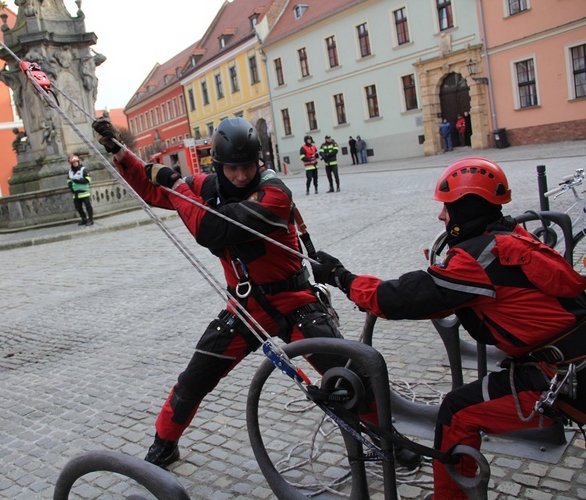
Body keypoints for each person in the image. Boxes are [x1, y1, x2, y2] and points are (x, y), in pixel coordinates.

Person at [91, 116, 421, 470]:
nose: (240, 176)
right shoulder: (208, 186)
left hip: (294, 301)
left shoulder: (275, 194)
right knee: (194, 378)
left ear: (257, 163)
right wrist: (120, 154)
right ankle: (164, 442)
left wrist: (175, 181)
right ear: (219, 166)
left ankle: (390, 439)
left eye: (247, 167)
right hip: (245, 307)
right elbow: (156, 190)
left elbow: (211, 229)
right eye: (232, 169)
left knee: (346, 373)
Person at [311, 157, 586, 499]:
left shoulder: (480, 259)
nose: (441, 216)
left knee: (456, 412)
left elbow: (402, 298)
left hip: (561, 376)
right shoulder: (511, 236)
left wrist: (341, 277)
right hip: (569, 364)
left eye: (447, 208)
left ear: (466, 209)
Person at [67, 155, 94, 226]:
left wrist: (78, 181)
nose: (75, 163)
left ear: (78, 162)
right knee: (78, 208)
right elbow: (69, 179)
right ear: (71, 163)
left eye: (76, 162)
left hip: (84, 192)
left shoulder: (83, 169)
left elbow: (88, 179)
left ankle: (90, 220)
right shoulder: (70, 172)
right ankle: (84, 219)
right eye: (74, 162)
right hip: (75, 193)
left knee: (88, 206)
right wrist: (70, 185)